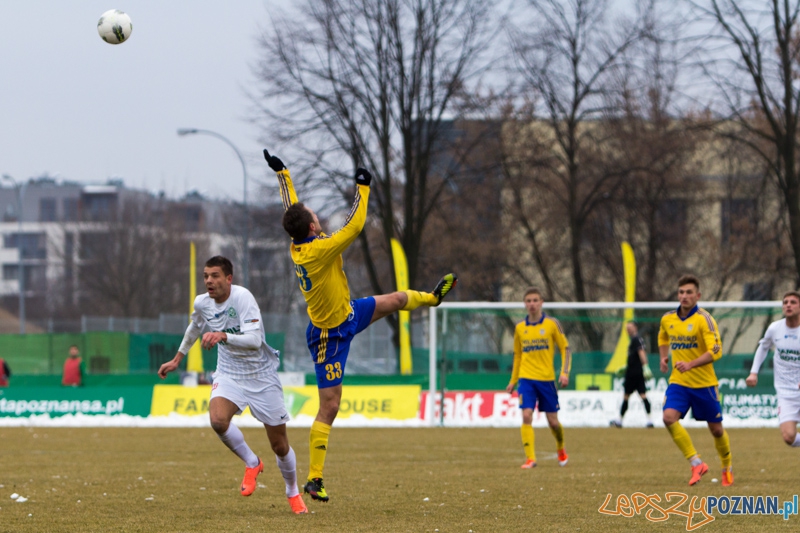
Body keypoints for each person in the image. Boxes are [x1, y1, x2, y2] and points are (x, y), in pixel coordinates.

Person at [264, 149, 457, 502]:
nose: (316, 214)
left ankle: (432, 298)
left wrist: (283, 174)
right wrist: (362, 187)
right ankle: (315, 479)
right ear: (312, 227)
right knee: (331, 406)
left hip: (348, 314)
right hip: (329, 335)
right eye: (314, 215)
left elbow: (291, 208)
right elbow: (354, 225)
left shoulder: (299, 240)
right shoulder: (318, 250)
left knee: (397, 300)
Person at [158, 256, 308, 515]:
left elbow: (253, 340)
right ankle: (252, 462)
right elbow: (194, 327)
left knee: (280, 445)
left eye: (215, 275)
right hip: (229, 373)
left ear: (229, 278)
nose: (208, 281)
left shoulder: (243, 298)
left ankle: (293, 491)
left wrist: (223, 335)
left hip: (261, 375)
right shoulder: (202, 303)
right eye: (206, 275)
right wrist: (177, 358)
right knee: (217, 420)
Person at [659, 274, 732, 487]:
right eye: (681, 292)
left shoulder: (704, 319)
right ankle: (696, 462)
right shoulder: (668, 319)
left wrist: (691, 364)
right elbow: (663, 336)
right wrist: (664, 357)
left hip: (704, 384)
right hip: (679, 382)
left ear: (697, 295)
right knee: (668, 417)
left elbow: (716, 351)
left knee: (716, 430)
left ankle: (727, 465)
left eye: (689, 292)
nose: (684, 296)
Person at [505, 287, 570, 469]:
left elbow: (565, 348)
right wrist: (513, 380)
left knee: (553, 422)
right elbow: (517, 355)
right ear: (524, 304)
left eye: (535, 300)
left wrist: (564, 373)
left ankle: (560, 447)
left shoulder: (551, 324)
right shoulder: (519, 327)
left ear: (541, 302)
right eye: (529, 301)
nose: (532, 304)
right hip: (526, 379)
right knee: (526, 415)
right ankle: (530, 458)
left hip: (547, 379)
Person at [746, 290, 800, 448]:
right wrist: (753, 372)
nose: (788, 305)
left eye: (793, 302)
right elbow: (763, 348)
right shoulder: (775, 328)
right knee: (788, 437)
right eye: (785, 302)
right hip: (785, 392)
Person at [610, 321, 654, 428]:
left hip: (634, 374)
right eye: (627, 328)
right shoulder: (633, 341)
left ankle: (621, 420)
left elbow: (641, 353)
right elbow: (635, 357)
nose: (628, 330)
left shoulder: (636, 339)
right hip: (633, 372)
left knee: (631, 397)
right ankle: (649, 420)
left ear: (635, 327)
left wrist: (645, 366)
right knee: (636, 396)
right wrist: (626, 367)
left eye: (630, 327)